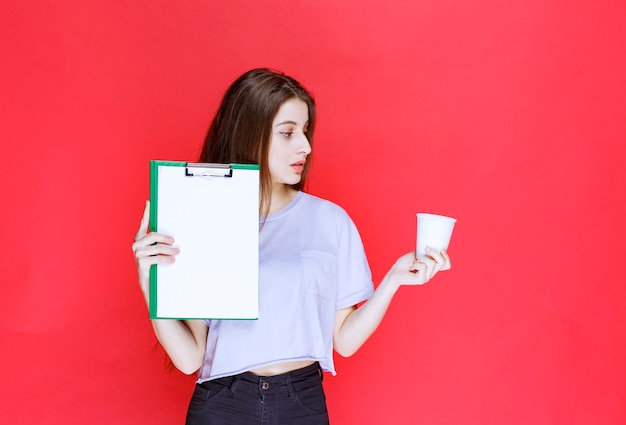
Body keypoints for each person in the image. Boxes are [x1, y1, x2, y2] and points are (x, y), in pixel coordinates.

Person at [132, 68, 451, 424]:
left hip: (301, 403)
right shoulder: (202, 220)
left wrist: (392, 280)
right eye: (288, 132)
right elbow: (191, 357)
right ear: (249, 134)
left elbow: (343, 341)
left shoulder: (329, 220)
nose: (306, 146)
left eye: (305, 131)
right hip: (223, 402)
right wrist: (150, 284)